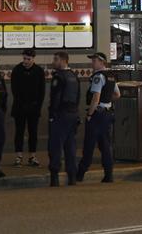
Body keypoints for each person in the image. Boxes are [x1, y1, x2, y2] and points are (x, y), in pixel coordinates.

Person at [76, 52, 121, 183]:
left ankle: (79, 174)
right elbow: (117, 95)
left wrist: (90, 114)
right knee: (105, 146)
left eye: (94, 60)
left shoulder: (98, 76)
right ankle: (109, 175)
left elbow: (95, 98)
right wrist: (106, 101)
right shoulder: (111, 76)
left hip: (97, 115)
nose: (92, 63)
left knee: (89, 145)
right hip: (107, 114)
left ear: (102, 62)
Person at [48, 51, 81, 187]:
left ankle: (54, 177)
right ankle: (72, 177)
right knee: (70, 147)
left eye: (55, 59)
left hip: (60, 115)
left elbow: (55, 98)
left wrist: (51, 115)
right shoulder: (74, 76)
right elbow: (78, 97)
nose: (53, 62)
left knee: (55, 146)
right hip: (73, 115)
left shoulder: (59, 77)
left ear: (63, 60)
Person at [10, 49, 45, 167]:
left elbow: (42, 91)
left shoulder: (38, 71)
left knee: (33, 132)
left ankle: (32, 156)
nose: (26, 61)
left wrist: (37, 106)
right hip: (20, 106)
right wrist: (21, 103)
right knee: (19, 132)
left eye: (28, 59)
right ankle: (19, 156)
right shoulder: (17, 70)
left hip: (33, 107)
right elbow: (14, 89)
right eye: (24, 58)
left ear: (33, 59)